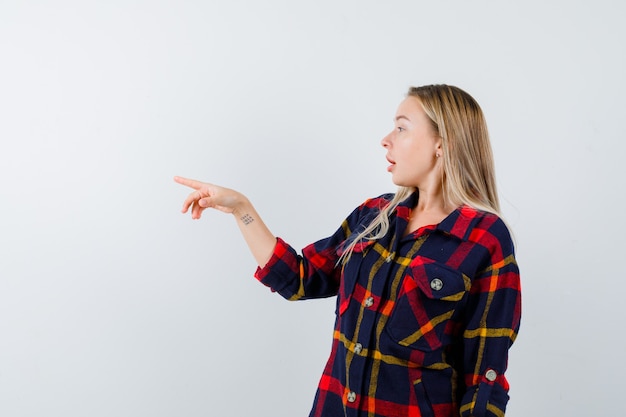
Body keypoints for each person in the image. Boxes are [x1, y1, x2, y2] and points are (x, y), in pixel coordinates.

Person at [174, 84, 521, 417]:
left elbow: (484, 379)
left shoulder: (484, 238)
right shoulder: (374, 216)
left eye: (401, 128)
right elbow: (298, 279)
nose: (386, 139)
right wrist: (240, 208)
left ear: (441, 145)